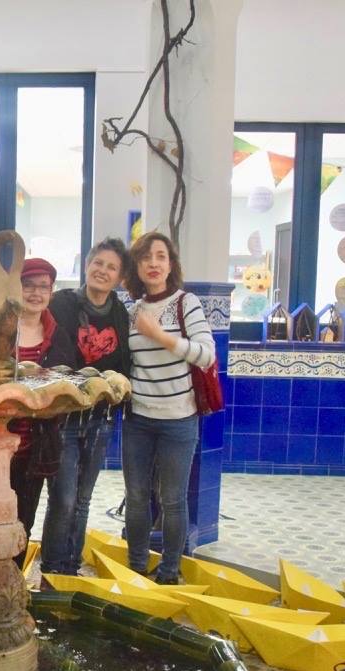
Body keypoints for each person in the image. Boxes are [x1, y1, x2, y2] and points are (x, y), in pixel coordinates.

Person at [121, 231, 215, 584]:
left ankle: (169, 572)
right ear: (136, 266)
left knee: (173, 499)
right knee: (136, 496)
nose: (153, 263)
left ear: (171, 264)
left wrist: (159, 336)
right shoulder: (133, 311)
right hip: (138, 420)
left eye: (161, 256)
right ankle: (135, 567)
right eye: (145, 257)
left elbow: (206, 355)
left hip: (179, 419)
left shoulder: (185, 303)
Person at [39, 239, 133, 575]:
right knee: (63, 498)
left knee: (82, 499)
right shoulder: (62, 303)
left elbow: (124, 364)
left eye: (112, 267)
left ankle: (72, 566)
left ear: (120, 277)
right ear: (88, 265)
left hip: (100, 418)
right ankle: (53, 568)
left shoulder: (120, 314)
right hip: (63, 418)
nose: (103, 271)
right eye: (98, 263)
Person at [6, 258, 78, 561]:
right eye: (28, 285)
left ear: (51, 291)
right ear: (16, 288)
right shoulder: (0, 329)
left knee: (24, 519)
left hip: (35, 446)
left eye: (43, 287)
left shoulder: (57, 334)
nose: (36, 293)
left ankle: (13, 578)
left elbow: (67, 382)